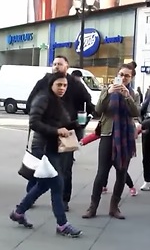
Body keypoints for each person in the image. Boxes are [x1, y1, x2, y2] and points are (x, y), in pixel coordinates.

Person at [9, 72, 82, 238]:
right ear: (51, 85)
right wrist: (56, 131)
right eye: (59, 85)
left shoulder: (57, 101)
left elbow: (59, 123)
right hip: (43, 148)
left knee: (43, 185)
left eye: (64, 85)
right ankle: (62, 224)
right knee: (57, 184)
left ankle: (19, 212)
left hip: (52, 148)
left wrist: (75, 124)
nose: (62, 88)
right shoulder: (43, 98)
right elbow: (34, 122)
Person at [25, 55, 95, 211]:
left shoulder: (76, 85)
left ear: (67, 66)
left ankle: (63, 201)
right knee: (38, 165)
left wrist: (82, 120)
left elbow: (87, 104)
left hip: (66, 134)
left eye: (60, 64)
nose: (57, 66)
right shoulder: (43, 83)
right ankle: (29, 198)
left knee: (64, 169)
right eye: (54, 64)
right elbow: (31, 105)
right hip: (44, 133)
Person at [82, 63, 140, 220]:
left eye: (127, 75)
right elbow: (98, 110)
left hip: (125, 137)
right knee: (101, 173)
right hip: (108, 134)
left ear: (132, 77)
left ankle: (114, 207)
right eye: (121, 74)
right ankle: (92, 207)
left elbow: (135, 112)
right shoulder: (106, 90)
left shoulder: (133, 94)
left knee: (121, 173)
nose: (123, 77)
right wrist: (108, 92)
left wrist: (127, 96)